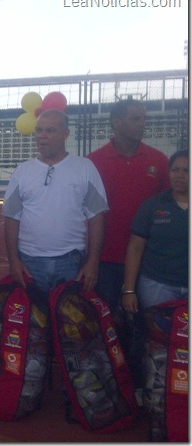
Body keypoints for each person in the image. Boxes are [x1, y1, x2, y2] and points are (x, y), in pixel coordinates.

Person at [86, 99, 170, 392]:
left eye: (143, 118)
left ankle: (139, 385)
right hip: (106, 260)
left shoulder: (159, 161)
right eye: (135, 118)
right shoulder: (93, 162)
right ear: (116, 121)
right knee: (107, 324)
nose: (142, 124)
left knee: (144, 326)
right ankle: (110, 382)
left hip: (147, 263)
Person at [2, 109, 108, 296]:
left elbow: (96, 217)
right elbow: (12, 218)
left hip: (71, 262)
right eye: (39, 130)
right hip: (30, 262)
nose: (42, 136)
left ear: (66, 134)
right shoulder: (22, 171)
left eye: (50, 130)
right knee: (34, 322)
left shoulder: (85, 168)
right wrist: (13, 261)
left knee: (68, 322)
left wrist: (92, 262)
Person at [121, 149, 188, 313]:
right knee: (157, 337)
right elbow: (135, 248)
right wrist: (129, 290)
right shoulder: (152, 206)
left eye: (187, 170)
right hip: (158, 286)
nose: (180, 175)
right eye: (175, 170)